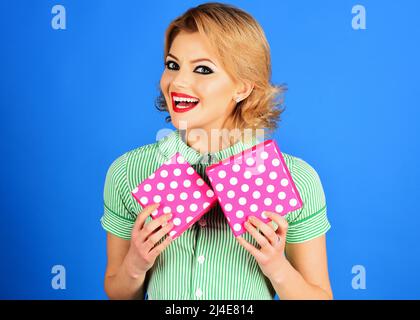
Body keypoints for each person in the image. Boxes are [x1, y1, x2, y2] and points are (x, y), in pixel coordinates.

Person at [100, 2, 333, 300]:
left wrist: (277, 266)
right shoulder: (128, 173)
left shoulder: (296, 180)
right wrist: (135, 263)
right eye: (172, 65)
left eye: (203, 69)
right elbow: (118, 293)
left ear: (243, 87)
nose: (177, 83)